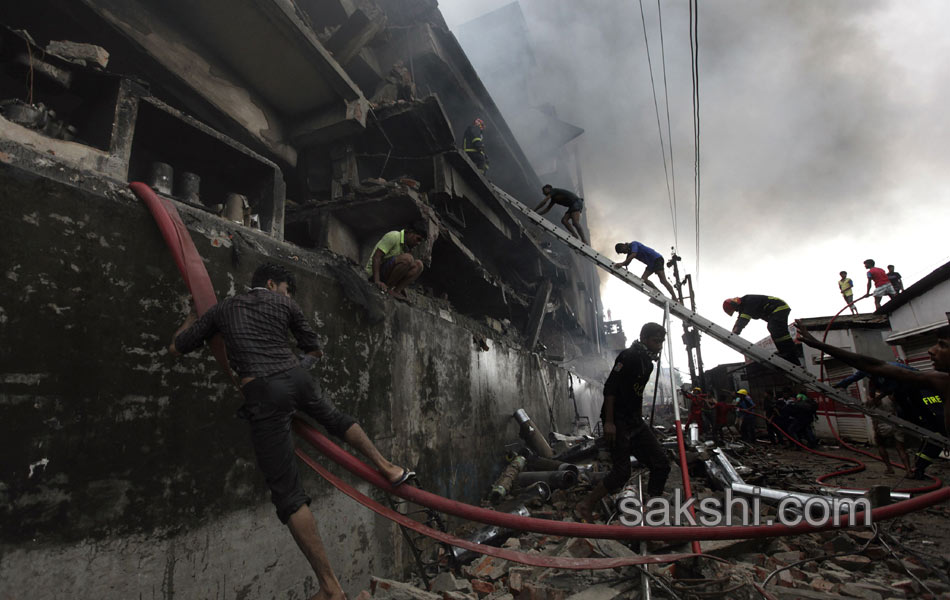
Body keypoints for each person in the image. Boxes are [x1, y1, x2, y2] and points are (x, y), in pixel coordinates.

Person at [169, 263, 415, 600]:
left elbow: (178, 347)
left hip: (263, 391)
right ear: (272, 284)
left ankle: (330, 586)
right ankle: (388, 466)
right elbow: (312, 349)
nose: (287, 294)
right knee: (337, 419)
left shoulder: (222, 309)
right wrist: (293, 373)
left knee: (288, 494)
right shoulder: (285, 305)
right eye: (286, 288)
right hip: (297, 379)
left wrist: (190, 315)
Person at [795, 319, 950, 468]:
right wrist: (816, 344)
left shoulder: (937, 383)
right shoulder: (941, 381)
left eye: (942, 345)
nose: (931, 350)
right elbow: (869, 365)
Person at [575, 323, 671, 521]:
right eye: (656, 341)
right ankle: (585, 505)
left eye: (662, 342)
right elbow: (610, 389)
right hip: (618, 420)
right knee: (621, 472)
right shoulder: (628, 357)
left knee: (661, 463)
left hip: (635, 420)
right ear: (644, 338)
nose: (659, 346)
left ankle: (653, 510)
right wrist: (609, 422)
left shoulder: (649, 363)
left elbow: (634, 393)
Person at [722, 295, 799, 363]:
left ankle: (790, 354)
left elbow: (742, 320)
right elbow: (739, 320)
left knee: (776, 329)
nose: (736, 311)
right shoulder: (744, 307)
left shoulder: (748, 301)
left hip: (779, 307)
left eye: (735, 309)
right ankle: (786, 353)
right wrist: (732, 333)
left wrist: (734, 334)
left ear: (734, 304)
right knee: (775, 330)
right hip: (774, 312)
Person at [365, 220, 427, 301]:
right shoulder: (394, 236)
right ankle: (388, 288)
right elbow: (377, 257)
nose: (418, 243)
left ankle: (396, 290)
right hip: (374, 274)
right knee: (408, 258)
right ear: (410, 232)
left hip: (386, 274)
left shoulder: (406, 246)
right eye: (418, 239)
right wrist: (377, 280)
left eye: (420, 241)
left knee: (419, 265)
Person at [613, 241, 677, 297]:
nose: (624, 253)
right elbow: (627, 262)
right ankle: (659, 293)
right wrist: (621, 264)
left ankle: (674, 297)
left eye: (623, 251)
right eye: (622, 253)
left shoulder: (633, 244)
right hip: (651, 263)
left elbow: (633, 255)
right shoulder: (630, 253)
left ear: (623, 246)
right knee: (644, 279)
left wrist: (622, 264)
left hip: (656, 259)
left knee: (663, 280)